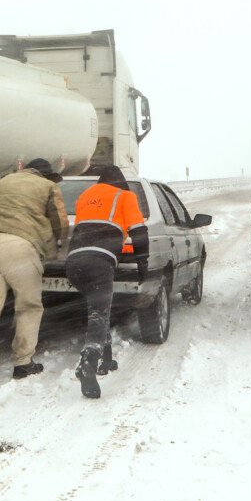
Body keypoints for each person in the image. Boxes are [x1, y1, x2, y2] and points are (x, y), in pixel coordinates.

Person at [0, 158, 69, 389]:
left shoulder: (6, 181)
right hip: (20, 246)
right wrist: (56, 249)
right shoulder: (48, 186)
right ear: (46, 175)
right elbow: (59, 222)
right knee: (28, 307)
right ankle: (23, 363)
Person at [65, 166, 148, 399]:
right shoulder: (125, 196)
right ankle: (88, 362)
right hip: (99, 261)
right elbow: (139, 231)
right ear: (121, 183)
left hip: (73, 263)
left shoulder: (86, 196)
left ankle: (106, 359)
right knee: (99, 313)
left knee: (99, 307)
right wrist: (143, 262)